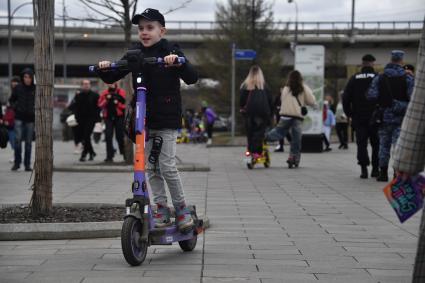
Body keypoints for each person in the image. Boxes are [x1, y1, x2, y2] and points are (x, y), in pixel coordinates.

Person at [96, 8, 198, 232]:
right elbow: (115, 73)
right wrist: (105, 68)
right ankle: (161, 208)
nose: (144, 32)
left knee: (167, 165)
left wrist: (177, 62)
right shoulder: (135, 53)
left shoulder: (170, 49)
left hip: (167, 117)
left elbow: (191, 77)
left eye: (150, 28)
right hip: (144, 120)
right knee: (150, 167)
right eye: (141, 28)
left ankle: (181, 209)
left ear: (162, 31)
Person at [367, 50, 414, 181]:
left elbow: (371, 95)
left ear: (391, 59)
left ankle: (382, 173)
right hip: (401, 118)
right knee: (398, 146)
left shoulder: (380, 77)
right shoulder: (408, 77)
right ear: (401, 61)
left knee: (384, 145)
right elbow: (413, 97)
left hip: (384, 117)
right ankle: (396, 174)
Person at [265, 70, 316, 167]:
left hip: (285, 116)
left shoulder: (285, 89)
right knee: (296, 139)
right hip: (297, 117)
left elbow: (282, 100)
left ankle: (264, 137)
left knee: (278, 132)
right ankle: (293, 157)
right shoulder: (303, 88)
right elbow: (311, 100)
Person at [343, 54, 380, 179]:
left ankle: (364, 169)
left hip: (359, 118)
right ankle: (375, 169)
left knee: (361, 144)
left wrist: (350, 114)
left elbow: (346, 98)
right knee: (376, 144)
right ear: (373, 64)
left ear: (362, 63)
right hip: (375, 118)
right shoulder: (378, 77)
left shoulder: (354, 78)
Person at [239, 65, 273, 159]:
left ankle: (250, 151)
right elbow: (271, 101)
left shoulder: (245, 86)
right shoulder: (265, 86)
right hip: (263, 114)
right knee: (259, 132)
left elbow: (242, 101)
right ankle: (257, 152)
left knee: (250, 132)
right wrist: (271, 113)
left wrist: (242, 108)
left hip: (249, 113)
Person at [9, 68, 35, 171]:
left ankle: (27, 165)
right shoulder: (18, 88)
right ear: (22, 78)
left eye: (29, 77)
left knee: (28, 143)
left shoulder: (35, 88)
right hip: (19, 117)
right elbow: (11, 100)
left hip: (30, 119)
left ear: (32, 78)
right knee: (17, 141)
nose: (27, 79)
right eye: (25, 77)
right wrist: (16, 107)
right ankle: (17, 163)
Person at [68, 80, 101, 162]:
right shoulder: (78, 95)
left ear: (90, 85)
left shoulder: (95, 95)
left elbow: (98, 108)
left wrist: (98, 120)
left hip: (91, 119)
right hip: (80, 120)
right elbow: (73, 106)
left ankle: (84, 154)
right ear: (82, 85)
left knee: (86, 136)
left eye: (88, 84)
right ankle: (92, 152)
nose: (86, 85)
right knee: (85, 138)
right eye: (85, 84)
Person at [98, 82, 126, 162]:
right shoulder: (105, 93)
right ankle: (109, 156)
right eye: (109, 83)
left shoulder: (121, 92)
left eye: (113, 83)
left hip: (119, 117)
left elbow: (126, 104)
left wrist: (117, 104)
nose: (111, 84)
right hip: (108, 117)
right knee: (108, 136)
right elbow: (100, 105)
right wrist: (106, 100)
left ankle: (124, 153)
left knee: (119, 136)